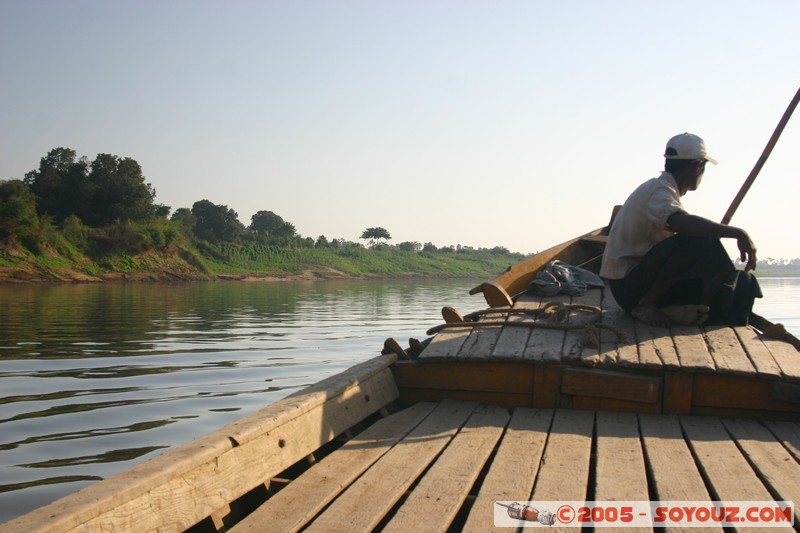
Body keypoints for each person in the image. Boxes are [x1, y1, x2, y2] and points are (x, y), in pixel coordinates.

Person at [600, 132, 761, 327]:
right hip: (628, 288)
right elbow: (678, 223)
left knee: (737, 278)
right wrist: (737, 232)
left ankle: (685, 307)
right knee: (699, 240)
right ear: (698, 167)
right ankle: (647, 305)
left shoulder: (665, 191)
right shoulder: (659, 191)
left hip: (636, 284)